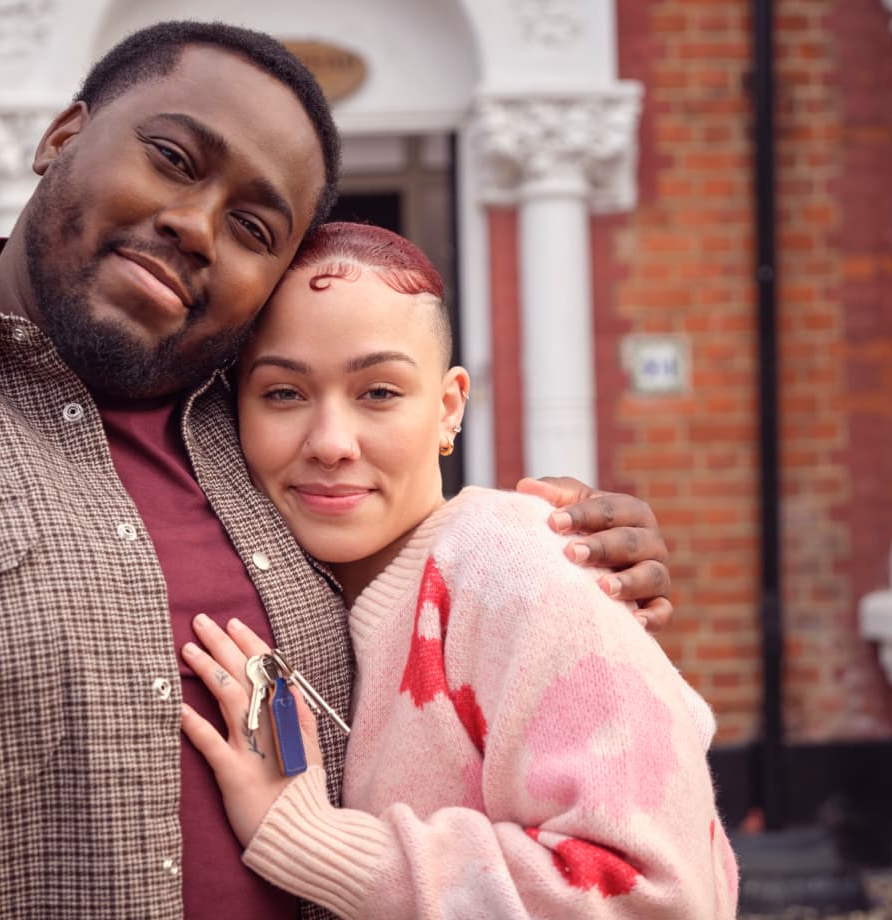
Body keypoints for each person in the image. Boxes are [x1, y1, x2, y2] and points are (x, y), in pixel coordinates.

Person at [0, 22, 674, 920]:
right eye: (172, 159)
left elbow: (438, 620)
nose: (197, 226)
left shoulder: (270, 447)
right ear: (61, 135)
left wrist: (561, 558)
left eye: (255, 229)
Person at [181, 222, 738, 917]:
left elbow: (655, 894)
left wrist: (310, 838)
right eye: (284, 394)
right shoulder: (304, 579)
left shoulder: (517, 563)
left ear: (448, 408)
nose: (329, 442)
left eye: (378, 392)